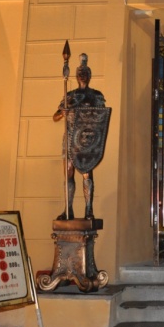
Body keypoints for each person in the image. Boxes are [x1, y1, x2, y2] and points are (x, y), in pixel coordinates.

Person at [53, 54, 106, 220]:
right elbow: (55, 116)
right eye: (80, 73)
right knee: (68, 174)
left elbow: (101, 116)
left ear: (90, 76)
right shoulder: (70, 95)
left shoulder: (96, 95)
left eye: (85, 73)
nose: (82, 75)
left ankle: (88, 209)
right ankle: (68, 209)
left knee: (86, 173)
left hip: (86, 139)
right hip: (70, 137)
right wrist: (63, 112)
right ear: (76, 76)